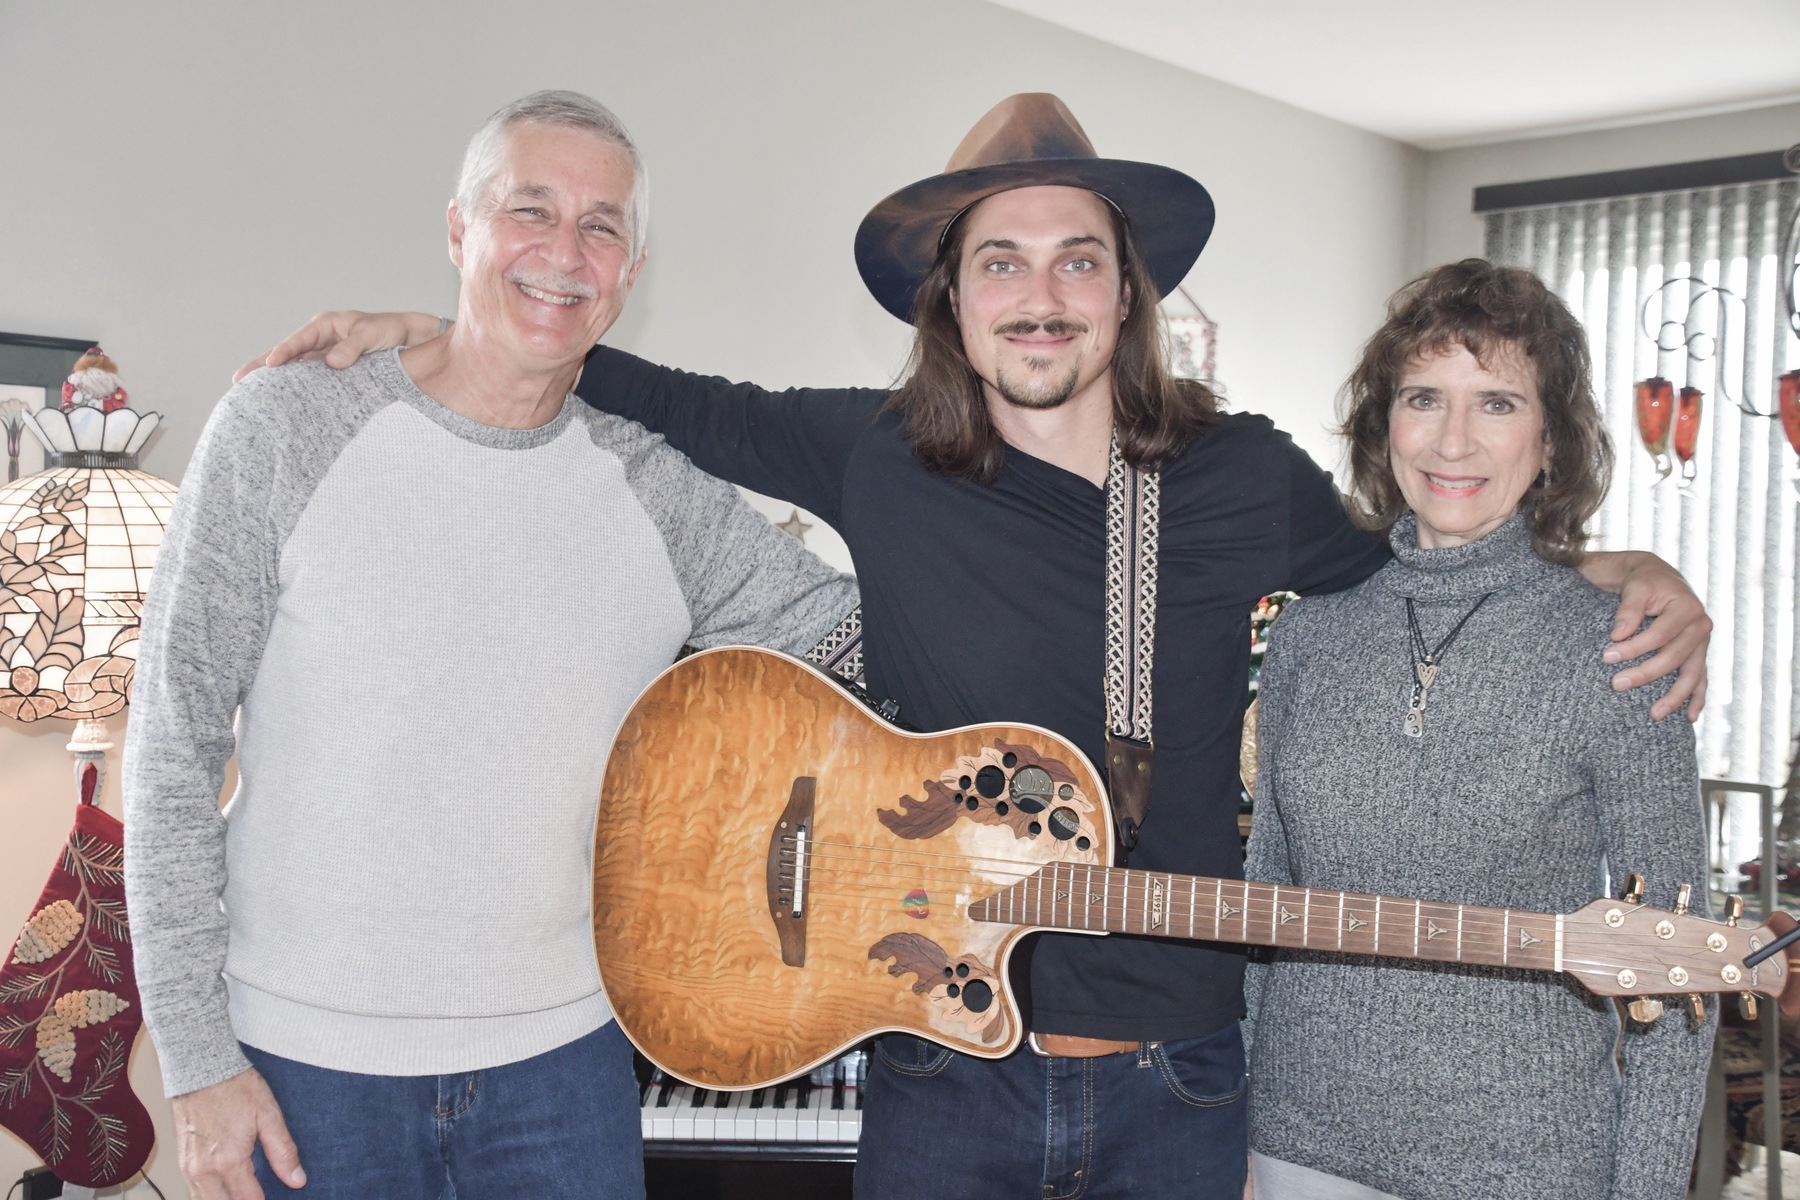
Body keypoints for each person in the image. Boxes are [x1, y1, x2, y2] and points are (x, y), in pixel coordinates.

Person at [246, 95, 1713, 1200]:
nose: (1040, 294)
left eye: (1078, 261)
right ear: (950, 295)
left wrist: (1615, 566)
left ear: (1125, 290)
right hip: (939, 1069)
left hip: (1181, 1088)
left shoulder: (1239, 478)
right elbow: (654, 387)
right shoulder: (876, 455)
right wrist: (443, 332)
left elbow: (1428, 553)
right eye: (999, 261)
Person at [123, 90, 856, 1200]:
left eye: (601, 227)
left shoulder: (658, 494)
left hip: (561, 1074)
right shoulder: (284, 427)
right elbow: (169, 748)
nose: (565, 252)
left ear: (631, 271)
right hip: (306, 1070)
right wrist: (195, 1065)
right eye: (530, 211)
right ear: (459, 231)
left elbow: (854, 639)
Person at [1243, 260, 1713, 1200]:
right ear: (1387, 424)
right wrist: (1239, 1137)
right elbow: (1268, 908)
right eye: (1425, 397)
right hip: (1294, 1145)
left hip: (1526, 1160)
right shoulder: (1308, 633)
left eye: (1497, 403)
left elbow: (1680, 976)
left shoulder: (1624, 644)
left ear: (1550, 442)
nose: (1453, 440)